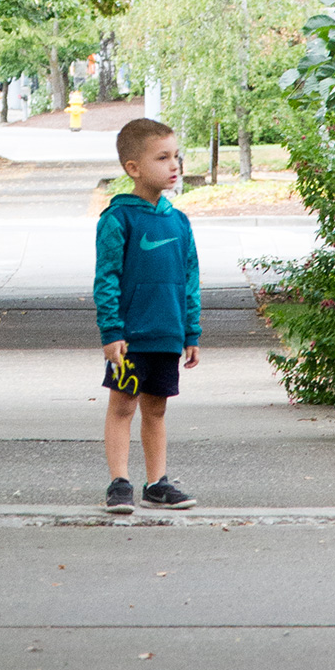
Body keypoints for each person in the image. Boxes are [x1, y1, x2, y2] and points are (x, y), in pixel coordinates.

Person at [93, 117, 201, 512]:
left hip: (167, 334)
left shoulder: (179, 221)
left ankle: (157, 483)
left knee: (156, 409)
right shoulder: (118, 219)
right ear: (133, 168)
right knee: (123, 405)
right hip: (130, 337)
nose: (174, 166)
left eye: (176, 157)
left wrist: (191, 332)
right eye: (162, 158)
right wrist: (111, 331)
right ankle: (119, 482)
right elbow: (106, 279)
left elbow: (190, 279)